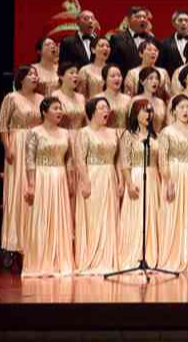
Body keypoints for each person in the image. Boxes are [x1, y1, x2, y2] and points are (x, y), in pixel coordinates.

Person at [22, 97, 76, 277]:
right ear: (44, 112)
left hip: (59, 178)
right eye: (55, 108)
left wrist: (70, 179)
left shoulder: (65, 133)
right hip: (42, 177)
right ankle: (40, 260)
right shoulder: (35, 132)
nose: (59, 111)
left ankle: (59, 261)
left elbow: (69, 159)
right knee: (42, 218)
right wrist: (31, 184)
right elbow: (29, 160)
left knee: (60, 217)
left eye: (60, 108)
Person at [0, 66, 43, 255]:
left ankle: (34, 238)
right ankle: (15, 240)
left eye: (36, 74)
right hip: (17, 145)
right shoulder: (11, 98)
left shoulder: (41, 99)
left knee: (35, 188)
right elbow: (3, 125)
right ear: (21, 79)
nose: (34, 77)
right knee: (18, 189)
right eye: (30, 74)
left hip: (37, 144)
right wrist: (8, 147)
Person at [73, 96, 121, 275]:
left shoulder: (113, 133)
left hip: (109, 176)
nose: (105, 111)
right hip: (93, 176)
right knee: (93, 217)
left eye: (107, 108)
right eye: (101, 108)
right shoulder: (84, 133)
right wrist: (85, 181)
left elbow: (118, 159)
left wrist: (120, 180)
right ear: (92, 112)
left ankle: (108, 257)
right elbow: (79, 159)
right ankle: (91, 258)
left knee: (109, 216)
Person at [116, 99, 163, 271]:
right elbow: (125, 161)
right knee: (136, 215)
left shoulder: (156, 136)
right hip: (136, 176)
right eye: (144, 111)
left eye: (150, 111)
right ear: (135, 114)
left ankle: (150, 253)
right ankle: (134, 254)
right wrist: (129, 183)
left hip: (153, 177)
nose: (148, 114)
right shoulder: (128, 135)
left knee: (152, 214)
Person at [156, 95, 188, 272]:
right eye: (181, 107)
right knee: (172, 214)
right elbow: (162, 159)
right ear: (173, 111)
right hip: (173, 174)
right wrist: (168, 180)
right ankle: (172, 255)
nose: (185, 111)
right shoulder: (167, 132)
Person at [109, 6, 156, 76]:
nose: (142, 19)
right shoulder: (117, 39)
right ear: (129, 20)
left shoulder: (152, 39)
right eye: (138, 17)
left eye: (144, 17)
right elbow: (112, 64)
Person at [158, 9, 188, 76]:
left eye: (186, 20)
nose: (183, 23)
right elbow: (161, 67)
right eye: (180, 20)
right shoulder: (164, 43)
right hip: (172, 80)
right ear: (173, 23)